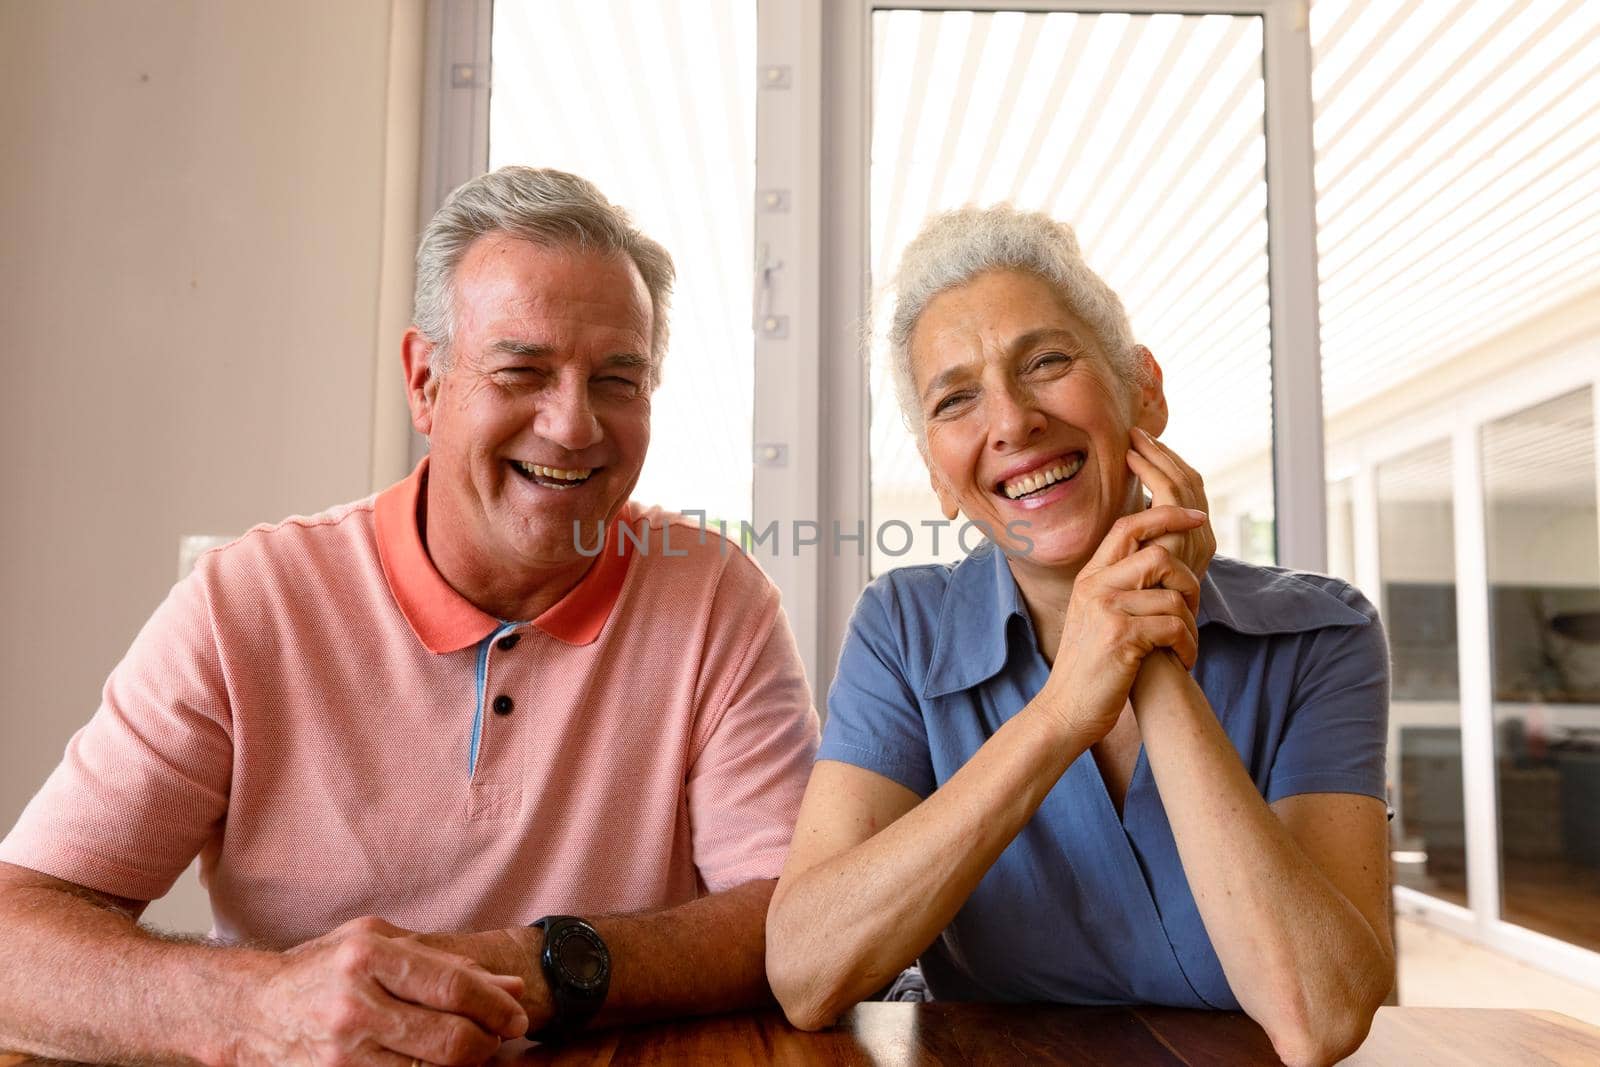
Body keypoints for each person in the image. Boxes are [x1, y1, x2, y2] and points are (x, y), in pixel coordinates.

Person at [0, 167, 819, 1065]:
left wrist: (529, 964)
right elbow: (17, 938)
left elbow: (788, 919)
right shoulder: (248, 603)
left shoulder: (718, 599)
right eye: (524, 370)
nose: (575, 423)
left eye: (618, 380)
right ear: (425, 382)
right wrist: (257, 1008)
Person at [766, 205, 1392, 1067]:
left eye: (1047, 362)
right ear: (940, 478)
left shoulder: (1323, 636)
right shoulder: (903, 630)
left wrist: (1149, 657)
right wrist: (1064, 710)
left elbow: (1319, 1017)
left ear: (1144, 388)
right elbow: (805, 973)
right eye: (958, 398)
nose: (1013, 421)